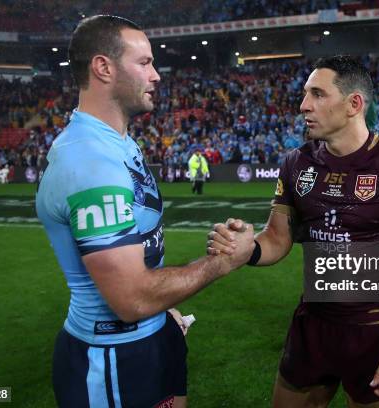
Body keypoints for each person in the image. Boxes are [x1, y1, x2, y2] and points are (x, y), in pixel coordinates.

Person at [35, 15, 253, 408]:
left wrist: (163, 312)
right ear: (103, 67)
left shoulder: (121, 144)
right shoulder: (89, 162)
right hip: (114, 357)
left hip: (151, 334)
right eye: (144, 62)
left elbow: (145, 256)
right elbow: (131, 298)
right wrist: (222, 262)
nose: (155, 75)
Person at [208, 56, 379, 407]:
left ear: (354, 104)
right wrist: (247, 248)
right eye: (306, 94)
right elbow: (276, 239)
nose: (304, 105)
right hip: (312, 326)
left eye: (318, 94)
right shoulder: (296, 162)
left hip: (375, 331)